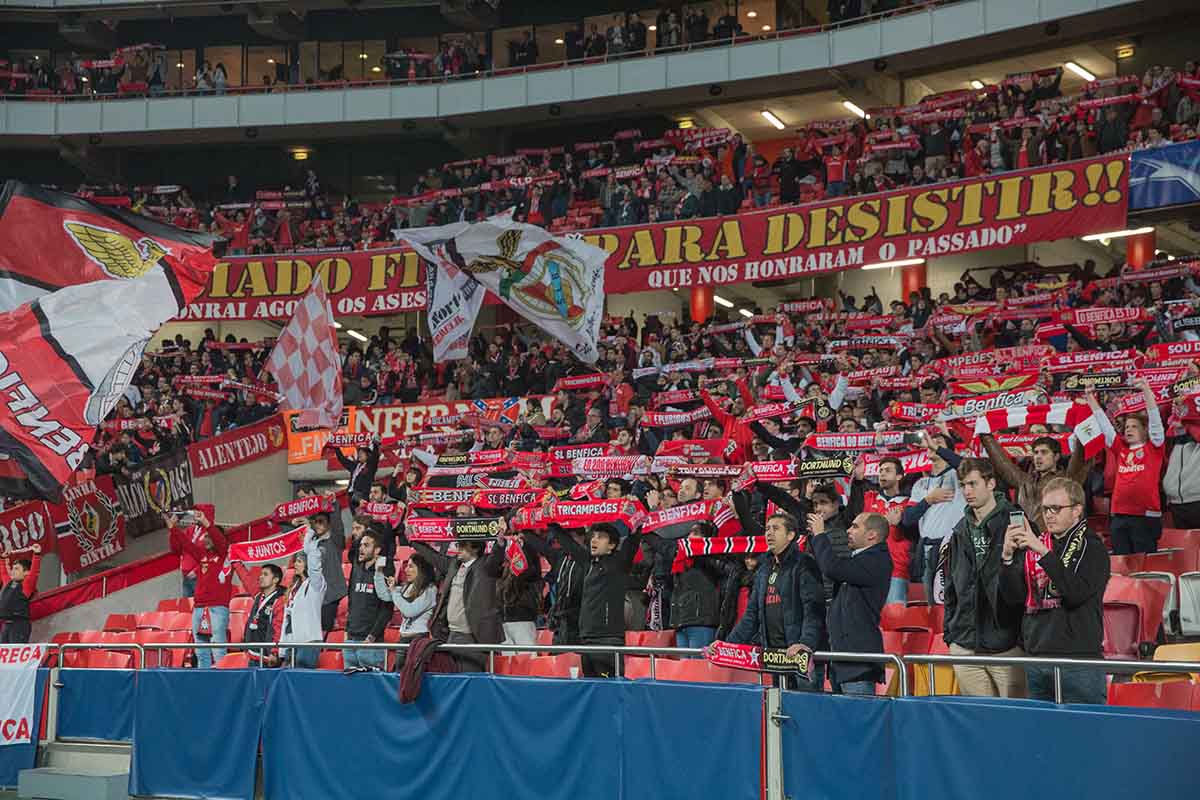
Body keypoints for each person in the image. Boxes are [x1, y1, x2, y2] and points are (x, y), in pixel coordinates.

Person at [1001, 478, 1111, 704]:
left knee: (1084, 735)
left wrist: (1043, 552)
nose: (1049, 515)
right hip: (1037, 658)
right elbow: (1013, 598)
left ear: (1077, 510)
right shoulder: (1036, 547)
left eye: (1056, 509)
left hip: (1078, 662)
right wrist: (1008, 558)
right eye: (1045, 509)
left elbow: (1075, 593)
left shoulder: (1092, 547)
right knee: (1043, 737)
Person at [937, 459, 1026, 697]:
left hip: (1007, 644)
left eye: (973, 484)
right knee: (978, 722)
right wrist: (951, 634)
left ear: (991, 484)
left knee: (1015, 723)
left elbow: (1027, 584)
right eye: (964, 485)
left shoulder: (1017, 521)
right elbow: (952, 585)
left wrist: (1020, 638)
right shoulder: (959, 529)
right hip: (964, 644)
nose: (967, 491)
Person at [726, 512, 825, 690]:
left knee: (807, 710)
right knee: (779, 712)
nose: (769, 533)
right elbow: (751, 615)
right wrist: (727, 645)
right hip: (774, 658)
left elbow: (814, 609)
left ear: (790, 535)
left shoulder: (804, 563)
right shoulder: (764, 568)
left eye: (776, 529)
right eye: (767, 529)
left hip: (799, 656)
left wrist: (806, 643)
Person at [808, 512, 892, 696]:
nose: (848, 530)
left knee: (859, 721)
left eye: (855, 526)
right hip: (842, 661)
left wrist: (820, 536)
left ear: (871, 535)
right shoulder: (858, 559)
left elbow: (832, 568)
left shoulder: (877, 559)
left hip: (858, 664)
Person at [552, 523, 643, 677]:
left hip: (608, 640)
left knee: (610, 691)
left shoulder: (619, 563)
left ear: (612, 545)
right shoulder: (588, 563)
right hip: (586, 638)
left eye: (600, 537)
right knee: (592, 689)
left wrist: (636, 525)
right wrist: (552, 523)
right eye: (593, 536)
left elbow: (632, 542)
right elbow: (569, 544)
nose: (594, 540)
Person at [1089, 380, 1165, 554]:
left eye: (1134, 426)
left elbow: (1154, 420)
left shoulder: (1154, 448)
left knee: (1144, 565)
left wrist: (1146, 390)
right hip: (1119, 516)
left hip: (1145, 517)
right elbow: (1105, 426)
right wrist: (1090, 398)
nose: (1129, 429)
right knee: (1123, 564)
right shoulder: (1120, 449)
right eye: (1127, 426)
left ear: (1145, 431)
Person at [411, 533, 503, 673]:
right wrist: (413, 539)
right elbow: (432, 556)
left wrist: (500, 543)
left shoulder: (485, 566)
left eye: (462, 545)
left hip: (473, 636)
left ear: (475, 548)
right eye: (458, 544)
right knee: (452, 679)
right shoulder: (454, 564)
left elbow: (496, 558)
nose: (457, 547)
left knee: (470, 681)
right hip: (450, 633)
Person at [978, 429, 1089, 523]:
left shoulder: (1067, 480)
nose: (1038, 457)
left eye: (1044, 452)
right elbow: (1003, 464)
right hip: (1025, 540)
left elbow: (1081, 453)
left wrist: (1083, 423)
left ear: (1056, 457)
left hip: (1054, 542)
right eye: (1035, 453)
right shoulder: (1025, 480)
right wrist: (984, 434)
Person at [168, 508, 231, 668]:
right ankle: (204, 681)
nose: (206, 539)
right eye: (206, 536)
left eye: (209, 536)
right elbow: (186, 545)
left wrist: (206, 523)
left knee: (218, 649)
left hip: (217, 607)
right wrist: (172, 528)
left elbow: (219, 541)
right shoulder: (202, 555)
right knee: (201, 651)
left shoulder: (225, 553)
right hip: (199, 608)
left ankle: (221, 684)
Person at [376, 553, 437, 671]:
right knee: (398, 677)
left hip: (418, 641)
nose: (406, 569)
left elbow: (409, 611)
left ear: (422, 569)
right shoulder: (406, 587)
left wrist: (394, 591)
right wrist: (378, 572)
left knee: (410, 678)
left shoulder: (430, 590)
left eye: (411, 566)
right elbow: (384, 596)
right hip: (403, 640)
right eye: (406, 566)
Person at [345, 529, 394, 671]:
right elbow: (352, 602)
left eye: (366, 545)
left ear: (377, 550)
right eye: (361, 545)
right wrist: (347, 631)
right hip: (350, 641)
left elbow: (387, 610)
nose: (361, 548)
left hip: (370, 643)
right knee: (349, 690)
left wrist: (372, 636)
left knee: (373, 690)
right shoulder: (356, 568)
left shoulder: (384, 572)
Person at [280, 528, 325, 669]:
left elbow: (315, 570)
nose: (295, 565)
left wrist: (309, 547)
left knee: (301, 682)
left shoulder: (315, 585)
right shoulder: (294, 587)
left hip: (309, 642)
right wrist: (283, 647)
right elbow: (287, 620)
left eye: (299, 561)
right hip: (292, 642)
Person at [231, 561, 287, 666]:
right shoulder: (258, 595)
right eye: (261, 574)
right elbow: (246, 579)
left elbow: (279, 627)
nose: (261, 577)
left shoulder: (279, 600)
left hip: (268, 658)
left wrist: (274, 652)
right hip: (253, 655)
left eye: (265, 574)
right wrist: (235, 561)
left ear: (276, 580)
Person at [0, 544, 42, 643]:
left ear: (26, 572)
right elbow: (3, 572)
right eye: (13, 568)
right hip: (6, 625)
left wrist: (37, 554)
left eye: (17, 569)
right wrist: (2, 558)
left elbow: (35, 571)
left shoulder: (27, 585)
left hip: (19, 626)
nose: (13, 571)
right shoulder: (9, 582)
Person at [329, 436, 381, 508]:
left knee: (362, 516)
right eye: (359, 452)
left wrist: (375, 444)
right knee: (355, 517)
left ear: (368, 455)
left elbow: (375, 457)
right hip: (351, 496)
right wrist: (336, 447)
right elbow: (343, 460)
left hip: (362, 496)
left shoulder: (370, 466)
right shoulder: (355, 466)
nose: (359, 454)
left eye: (362, 453)